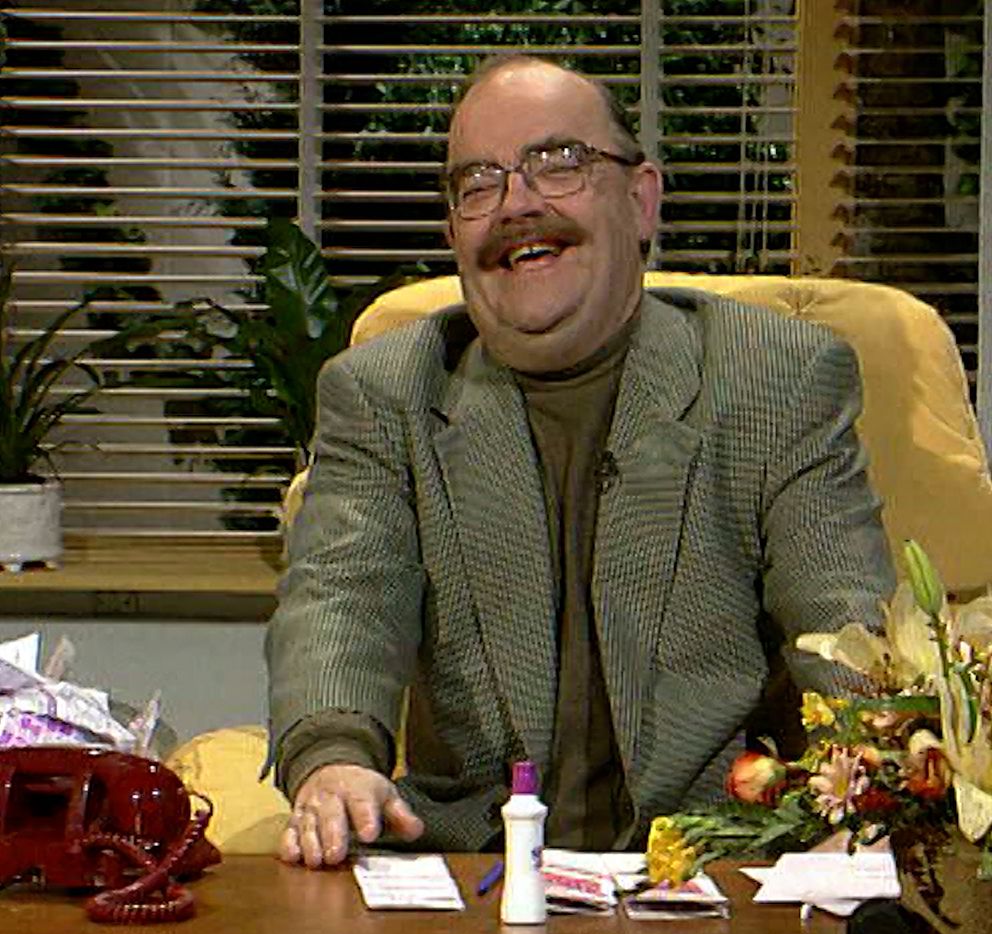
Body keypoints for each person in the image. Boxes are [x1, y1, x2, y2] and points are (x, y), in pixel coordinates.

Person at [266, 53, 895, 869]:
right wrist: (334, 757)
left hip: (720, 860)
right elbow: (344, 592)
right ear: (454, 232)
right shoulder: (386, 393)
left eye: (558, 163)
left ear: (641, 200)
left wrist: (871, 792)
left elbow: (843, 623)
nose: (517, 204)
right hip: (476, 866)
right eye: (479, 184)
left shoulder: (774, 378)